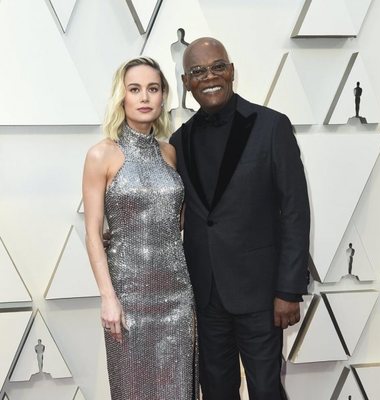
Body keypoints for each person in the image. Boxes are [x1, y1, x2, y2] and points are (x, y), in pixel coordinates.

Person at [169, 37, 310, 400]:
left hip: (261, 294)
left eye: (218, 66)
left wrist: (288, 290)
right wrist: (123, 233)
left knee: (265, 389)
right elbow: (173, 210)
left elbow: (295, 211)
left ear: (231, 71)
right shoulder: (178, 141)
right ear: (186, 82)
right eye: (197, 71)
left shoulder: (271, 126)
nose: (209, 76)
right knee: (215, 389)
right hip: (204, 294)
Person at [83, 57, 198, 400]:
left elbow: (174, 220)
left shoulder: (169, 152)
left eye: (153, 88)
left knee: (177, 390)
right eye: (135, 89)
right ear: (123, 97)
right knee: (133, 390)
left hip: (177, 295)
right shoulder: (101, 155)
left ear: (163, 96)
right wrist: (108, 298)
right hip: (128, 297)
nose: (144, 97)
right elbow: (92, 234)